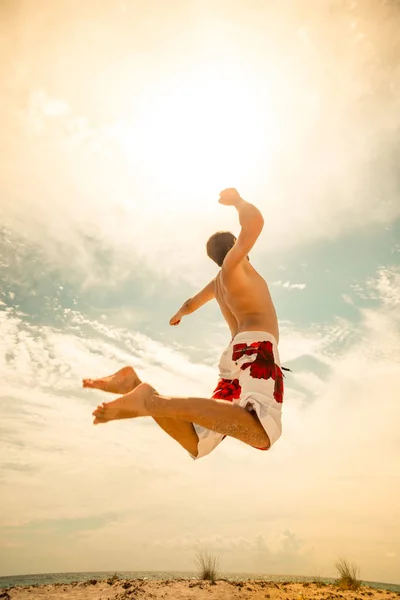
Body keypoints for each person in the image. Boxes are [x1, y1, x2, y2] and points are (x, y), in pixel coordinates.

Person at [83, 188, 286, 460]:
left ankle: (133, 385)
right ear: (235, 244)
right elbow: (256, 223)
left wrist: (180, 313)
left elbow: (192, 302)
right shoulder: (235, 265)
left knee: (199, 441)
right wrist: (237, 201)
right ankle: (149, 401)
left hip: (235, 358)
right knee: (262, 433)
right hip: (255, 349)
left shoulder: (218, 283)